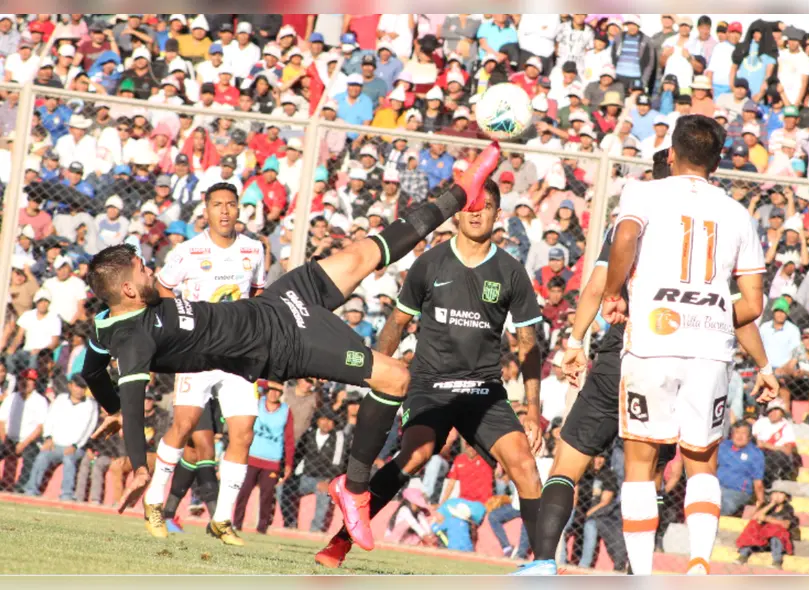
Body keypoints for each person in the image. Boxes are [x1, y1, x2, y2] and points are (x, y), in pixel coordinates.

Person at [82, 143, 503, 553]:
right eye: (142, 269)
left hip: (278, 300)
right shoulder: (134, 340)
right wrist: (139, 462)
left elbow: (94, 371)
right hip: (284, 343)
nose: (150, 269)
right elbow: (134, 403)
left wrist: (109, 405)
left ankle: (461, 192)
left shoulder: (104, 324)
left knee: (366, 252)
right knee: (396, 378)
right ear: (127, 289)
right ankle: (354, 488)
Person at [516, 147, 777, 575]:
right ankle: (681, 564)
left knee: (571, 460)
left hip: (630, 351)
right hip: (696, 352)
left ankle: (546, 562)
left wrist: (576, 339)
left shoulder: (639, 214)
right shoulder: (720, 219)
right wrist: (764, 365)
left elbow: (598, 284)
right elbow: (735, 305)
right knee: (672, 465)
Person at [315, 179, 545, 568]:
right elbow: (396, 323)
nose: (475, 212)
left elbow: (528, 344)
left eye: (484, 205)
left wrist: (533, 410)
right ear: (457, 212)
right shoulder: (430, 262)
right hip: (430, 386)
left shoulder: (511, 271)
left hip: (483, 392)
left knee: (524, 463)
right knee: (416, 454)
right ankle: (340, 541)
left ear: (497, 213)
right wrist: (376, 371)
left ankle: (544, 563)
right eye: (469, 205)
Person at [600, 115, 770, 575]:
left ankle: (641, 574)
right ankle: (698, 563)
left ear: (670, 154)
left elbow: (627, 236)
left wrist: (614, 292)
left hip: (654, 339)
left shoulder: (644, 192)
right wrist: (709, 313)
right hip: (710, 348)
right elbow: (752, 303)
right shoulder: (738, 213)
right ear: (717, 162)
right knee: (702, 460)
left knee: (641, 458)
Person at [148, 184, 268, 544]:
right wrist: (183, 323)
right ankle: (154, 502)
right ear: (207, 210)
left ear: (238, 210)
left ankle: (222, 520)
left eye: (231, 204)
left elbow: (259, 292)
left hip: (238, 355)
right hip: (197, 353)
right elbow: (163, 286)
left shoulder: (254, 248)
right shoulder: (188, 250)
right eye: (218, 205)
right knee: (183, 426)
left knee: (243, 433)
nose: (226, 211)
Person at [232, 381, 294, 535]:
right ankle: (236, 524)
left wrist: (288, 464)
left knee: (267, 496)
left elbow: (289, 439)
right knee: (243, 492)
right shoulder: (257, 403)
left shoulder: (286, 411)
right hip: (251, 456)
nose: (274, 393)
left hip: (272, 461)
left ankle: (262, 528)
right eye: (271, 390)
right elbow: (253, 381)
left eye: (278, 391)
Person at [23, 375, 98, 500]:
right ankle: (31, 490)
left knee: (69, 461)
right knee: (42, 457)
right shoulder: (60, 399)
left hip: (75, 447)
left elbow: (88, 429)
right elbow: (50, 419)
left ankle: (66, 494)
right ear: (70, 385)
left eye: (83, 387)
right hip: (54, 443)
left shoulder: (91, 405)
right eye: (77, 386)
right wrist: (48, 438)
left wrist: (75, 445)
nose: (79, 390)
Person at [735, 483, 798, 567]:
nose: (777, 496)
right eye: (775, 493)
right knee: (753, 525)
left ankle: (777, 561)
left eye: (781, 493)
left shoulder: (787, 508)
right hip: (760, 539)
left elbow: (785, 524)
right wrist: (771, 504)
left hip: (775, 542)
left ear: (786, 497)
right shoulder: (767, 506)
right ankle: (743, 555)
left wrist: (767, 519)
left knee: (777, 530)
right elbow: (755, 518)